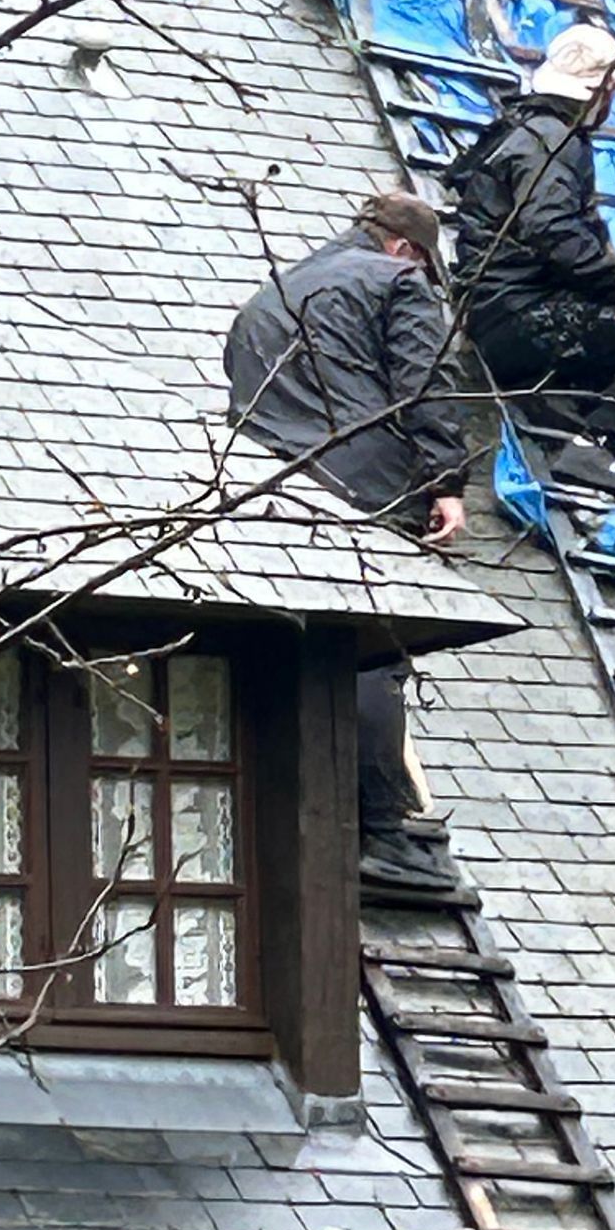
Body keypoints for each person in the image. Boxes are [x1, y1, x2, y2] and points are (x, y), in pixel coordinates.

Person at [225, 191, 467, 894]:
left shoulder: (274, 292)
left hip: (267, 492)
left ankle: (282, 812)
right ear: (405, 249)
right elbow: (425, 382)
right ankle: (382, 833)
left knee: (293, 641)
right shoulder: (400, 281)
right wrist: (446, 481)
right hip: (360, 485)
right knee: (370, 647)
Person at [448, 22, 615, 502]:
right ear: (600, 91)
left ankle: (564, 408)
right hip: (520, 320)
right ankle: (594, 446)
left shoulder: (521, 130)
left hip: (500, 314)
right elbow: (552, 228)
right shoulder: (553, 141)